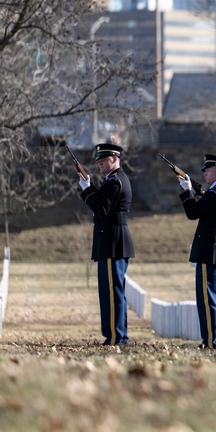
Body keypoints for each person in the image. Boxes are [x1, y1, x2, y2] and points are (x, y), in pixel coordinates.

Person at [177, 154, 216, 350]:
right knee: (215, 299)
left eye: (208, 170)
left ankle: (211, 342)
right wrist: (196, 189)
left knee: (206, 300)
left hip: (208, 252)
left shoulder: (215, 193)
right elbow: (209, 204)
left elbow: (193, 212)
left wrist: (187, 191)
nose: (204, 173)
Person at [79, 143, 135, 346]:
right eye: (98, 161)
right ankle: (118, 335)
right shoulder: (112, 180)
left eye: (104, 160)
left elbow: (101, 208)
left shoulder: (115, 181)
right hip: (111, 241)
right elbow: (103, 203)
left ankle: (115, 337)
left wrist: (86, 191)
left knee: (112, 293)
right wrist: (90, 188)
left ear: (115, 159)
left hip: (113, 242)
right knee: (113, 291)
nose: (100, 164)